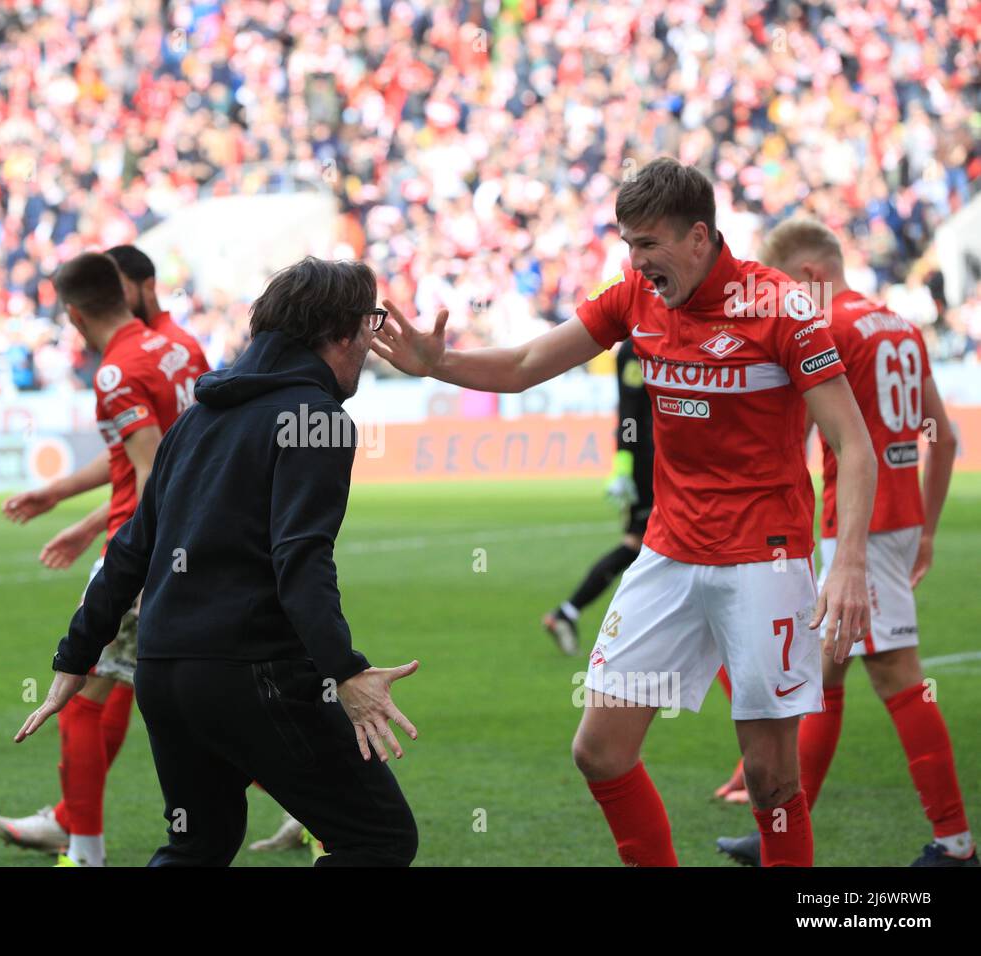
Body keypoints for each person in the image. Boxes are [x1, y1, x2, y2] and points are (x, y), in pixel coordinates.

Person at [371, 159, 876, 867]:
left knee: (769, 777)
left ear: (699, 237)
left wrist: (848, 562)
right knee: (600, 752)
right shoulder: (634, 296)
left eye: (648, 244)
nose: (635, 261)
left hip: (765, 558)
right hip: (669, 554)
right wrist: (440, 363)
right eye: (628, 244)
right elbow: (523, 366)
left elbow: (853, 444)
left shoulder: (782, 307)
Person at [16, 257, 420, 867]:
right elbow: (300, 560)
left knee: (197, 846)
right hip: (253, 671)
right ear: (339, 332)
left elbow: (131, 548)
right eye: (370, 322)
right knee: (378, 838)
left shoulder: (197, 419)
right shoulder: (320, 421)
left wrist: (77, 654)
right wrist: (345, 672)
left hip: (165, 672)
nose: (373, 337)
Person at [715, 218, 975, 867]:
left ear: (808, 277)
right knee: (823, 674)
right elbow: (942, 437)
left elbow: (788, 437)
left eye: (782, 289)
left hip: (860, 525)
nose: (779, 302)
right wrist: (928, 531)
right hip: (893, 519)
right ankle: (780, 829)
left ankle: (956, 844)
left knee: (896, 675)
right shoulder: (900, 327)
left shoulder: (827, 329)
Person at [0, 251, 207, 866]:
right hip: (191, 547)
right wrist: (73, 508)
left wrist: (129, 562)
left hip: (144, 556)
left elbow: (153, 471)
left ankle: (84, 852)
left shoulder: (115, 374)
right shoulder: (178, 349)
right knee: (174, 698)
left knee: (78, 694)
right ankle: (317, 807)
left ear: (75, 316)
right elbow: (172, 457)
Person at [542, 337, 653, 653]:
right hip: (651, 462)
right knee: (644, 544)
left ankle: (568, 613)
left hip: (664, 459)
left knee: (643, 546)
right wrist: (624, 463)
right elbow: (630, 407)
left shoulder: (662, 333)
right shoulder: (638, 346)